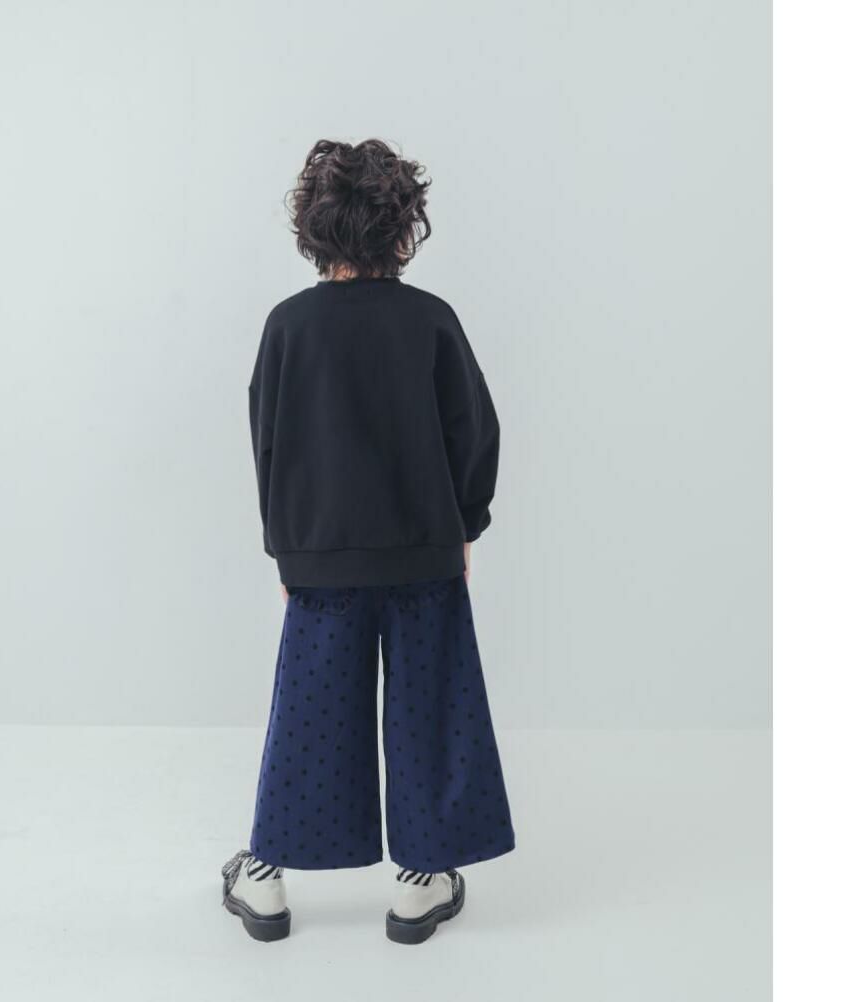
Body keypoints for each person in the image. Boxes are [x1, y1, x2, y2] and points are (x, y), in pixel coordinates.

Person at [221, 138, 515, 945]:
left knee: (310, 714)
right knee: (430, 710)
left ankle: (265, 879)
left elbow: (270, 444)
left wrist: (288, 548)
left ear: (312, 228)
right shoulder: (430, 320)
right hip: (425, 554)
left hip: (321, 559)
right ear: (403, 227)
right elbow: (475, 432)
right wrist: (465, 524)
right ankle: (420, 882)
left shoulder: (288, 325)